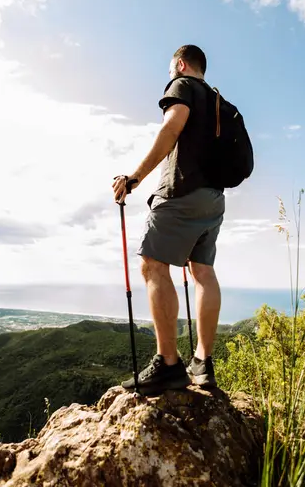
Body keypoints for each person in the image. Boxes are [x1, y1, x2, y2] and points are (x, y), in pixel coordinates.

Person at [112, 45, 225, 396]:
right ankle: (202, 363)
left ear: (180, 64)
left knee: (153, 266)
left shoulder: (182, 86)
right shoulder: (219, 101)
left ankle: (169, 364)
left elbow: (171, 128)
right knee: (202, 272)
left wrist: (135, 177)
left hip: (180, 192)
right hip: (214, 199)